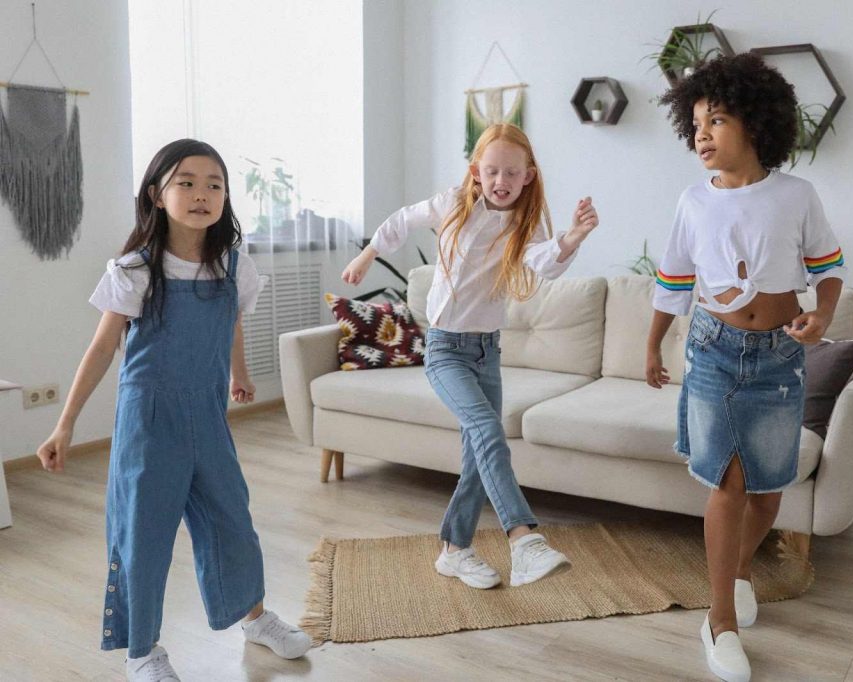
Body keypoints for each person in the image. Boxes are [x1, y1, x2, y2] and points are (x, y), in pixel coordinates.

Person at [36, 139, 312, 681]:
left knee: (232, 520)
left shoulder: (236, 266)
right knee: (144, 533)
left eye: (214, 183)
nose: (201, 193)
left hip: (207, 417)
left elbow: (230, 319)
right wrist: (64, 424)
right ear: (157, 196)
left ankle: (254, 618)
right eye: (185, 182)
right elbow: (100, 350)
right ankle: (143, 651)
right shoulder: (135, 269)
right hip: (148, 421)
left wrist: (239, 373)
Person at [645, 55, 847, 682]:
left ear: (756, 125)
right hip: (711, 351)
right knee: (727, 485)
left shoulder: (797, 196)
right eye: (697, 123)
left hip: (780, 358)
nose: (702, 134)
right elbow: (673, 282)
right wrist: (652, 346)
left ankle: (736, 570)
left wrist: (822, 315)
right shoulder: (692, 202)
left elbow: (829, 267)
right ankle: (720, 620)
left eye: (718, 120)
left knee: (768, 491)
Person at [343, 123, 599, 589]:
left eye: (512, 172)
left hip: (487, 351)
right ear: (476, 173)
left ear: (527, 176)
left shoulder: (529, 220)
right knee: (487, 431)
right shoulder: (451, 205)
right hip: (444, 350)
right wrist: (367, 256)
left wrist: (572, 237)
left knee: (478, 457)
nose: (501, 181)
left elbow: (545, 264)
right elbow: (402, 219)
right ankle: (523, 541)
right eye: (492, 170)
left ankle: (455, 551)